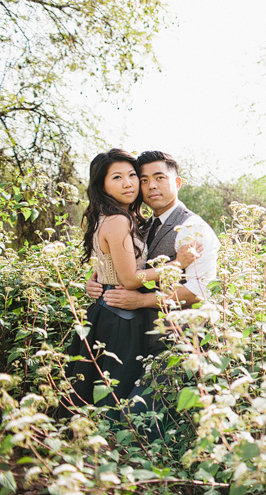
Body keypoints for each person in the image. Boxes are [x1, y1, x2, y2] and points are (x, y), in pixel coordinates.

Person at [84, 150, 220, 426]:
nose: (150, 186)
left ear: (177, 182)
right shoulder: (142, 224)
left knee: (139, 421)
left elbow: (198, 292)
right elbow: (125, 264)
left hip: (176, 342)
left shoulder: (192, 228)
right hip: (136, 337)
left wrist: (141, 302)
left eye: (159, 178)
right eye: (143, 179)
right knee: (112, 410)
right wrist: (98, 279)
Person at [60, 149, 198, 417]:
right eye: (117, 177)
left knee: (98, 386)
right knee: (115, 389)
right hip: (119, 316)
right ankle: (105, 448)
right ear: (102, 185)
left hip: (110, 309)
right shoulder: (119, 219)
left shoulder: (122, 217)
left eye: (133, 176)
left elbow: (109, 265)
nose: (129, 184)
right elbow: (129, 279)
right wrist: (176, 264)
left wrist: (98, 278)